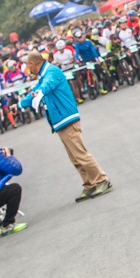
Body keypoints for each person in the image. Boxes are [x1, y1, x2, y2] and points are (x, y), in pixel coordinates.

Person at [20, 51, 112, 203]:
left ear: (32, 64)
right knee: (75, 157)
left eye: (28, 66)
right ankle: (90, 184)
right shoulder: (43, 75)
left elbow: (46, 87)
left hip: (66, 118)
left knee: (81, 154)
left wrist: (40, 92)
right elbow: (35, 91)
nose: (28, 70)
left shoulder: (51, 72)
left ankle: (102, 181)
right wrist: (19, 104)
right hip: (59, 120)